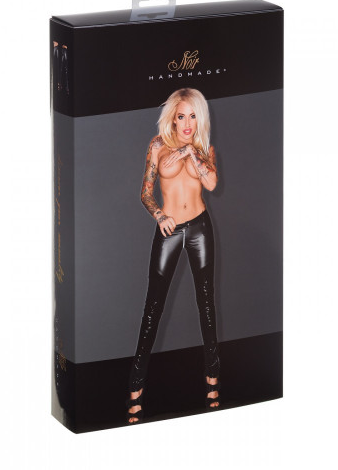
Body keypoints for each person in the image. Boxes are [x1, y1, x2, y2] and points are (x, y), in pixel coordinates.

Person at [126, 87, 221, 425]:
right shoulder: (157, 146)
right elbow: (145, 191)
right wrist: (159, 215)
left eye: (193, 116)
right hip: (169, 228)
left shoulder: (204, 149)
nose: (187, 123)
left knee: (206, 303)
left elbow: (211, 184)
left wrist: (189, 151)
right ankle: (135, 387)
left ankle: (213, 379)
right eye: (181, 116)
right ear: (173, 119)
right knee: (153, 308)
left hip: (199, 228)